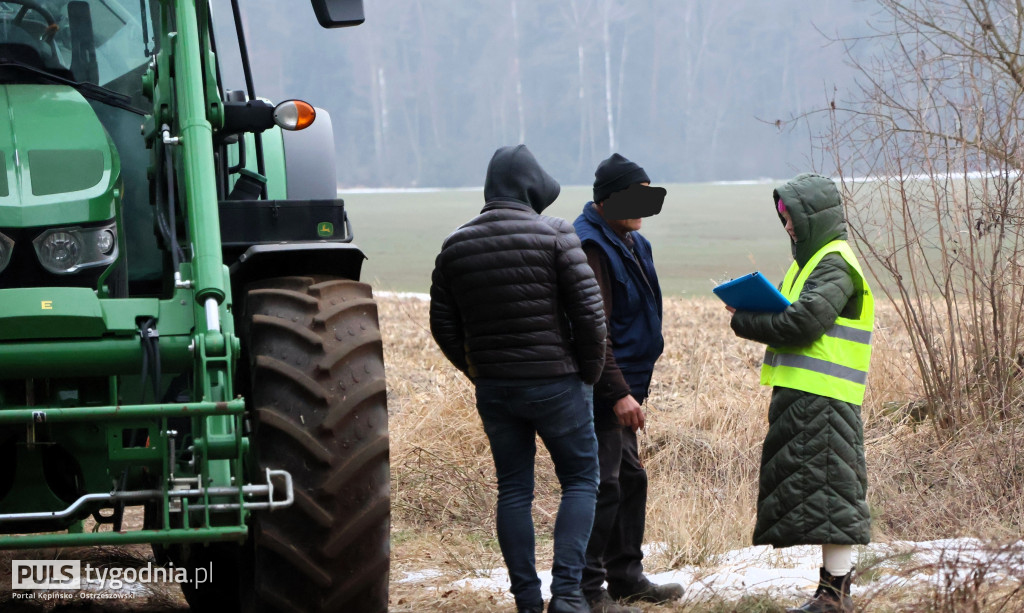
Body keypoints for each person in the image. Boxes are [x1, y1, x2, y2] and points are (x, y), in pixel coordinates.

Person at [430, 144, 607, 613]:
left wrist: (478, 370)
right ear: (530, 185)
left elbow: (443, 326)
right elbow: (590, 317)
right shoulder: (556, 235)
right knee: (581, 480)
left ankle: (527, 602)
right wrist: (586, 373)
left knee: (514, 490)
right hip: (558, 383)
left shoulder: (456, 243)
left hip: (495, 389)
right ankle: (568, 595)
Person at [726, 173, 873, 613]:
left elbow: (802, 325)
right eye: (784, 219)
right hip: (807, 398)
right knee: (827, 496)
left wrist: (744, 320)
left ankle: (835, 597)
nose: (788, 227)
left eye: (793, 218)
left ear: (815, 217)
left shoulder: (834, 263)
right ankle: (830, 594)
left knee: (835, 496)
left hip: (824, 399)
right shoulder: (811, 263)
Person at [572, 154, 684, 613]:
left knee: (630, 479)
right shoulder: (590, 247)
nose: (643, 205)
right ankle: (587, 589)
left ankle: (626, 576)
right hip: (602, 387)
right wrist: (617, 392)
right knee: (603, 484)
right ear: (606, 199)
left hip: (628, 385)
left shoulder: (633, 241)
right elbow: (593, 331)